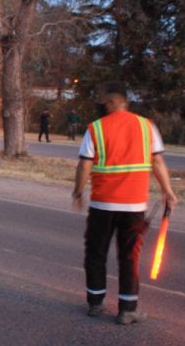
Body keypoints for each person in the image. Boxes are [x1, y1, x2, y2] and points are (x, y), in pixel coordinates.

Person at [72, 81, 178, 325]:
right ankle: (127, 310)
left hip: (103, 204)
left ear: (112, 102)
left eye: (104, 102)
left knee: (96, 253)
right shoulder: (146, 126)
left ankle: (96, 304)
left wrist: (78, 192)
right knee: (129, 256)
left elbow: (84, 164)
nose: (102, 106)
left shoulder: (96, 128)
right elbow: (158, 162)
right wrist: (168, 190)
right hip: (134, 206)